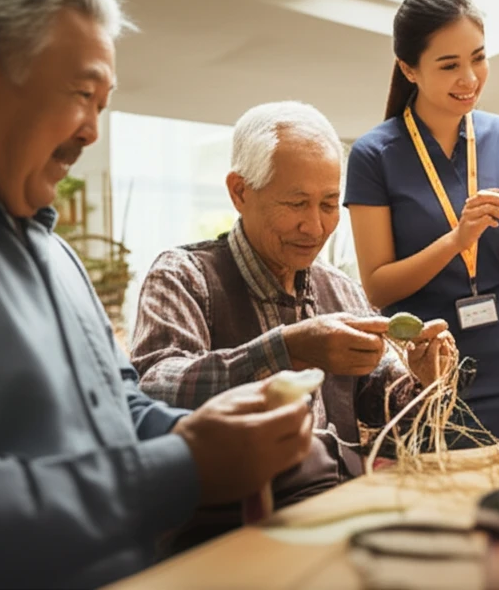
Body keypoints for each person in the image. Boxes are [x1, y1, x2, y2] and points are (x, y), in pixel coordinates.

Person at [0, 0, 315, 588]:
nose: (92, 130)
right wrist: (187, 467)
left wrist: (212, 435)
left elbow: (119, 406)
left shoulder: (51, 250)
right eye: (82, 94)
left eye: (102, 105)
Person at [130, 101, 453, 537]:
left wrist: (418, 380)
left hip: (340, 511)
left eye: (329, 204)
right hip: (232, 529)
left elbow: (379, 400)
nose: (316, 227)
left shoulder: (339, 288)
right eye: (297, 203)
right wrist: (288, 350)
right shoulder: (185, 276)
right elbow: (154, 388)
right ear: (240, 192)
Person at [344, 0, 499, 443]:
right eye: (449, 65)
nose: (470, 78)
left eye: (478, 58)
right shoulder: (373, 154)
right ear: (409, 69)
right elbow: (379, 287)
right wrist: (456, 240)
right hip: (422, 362)